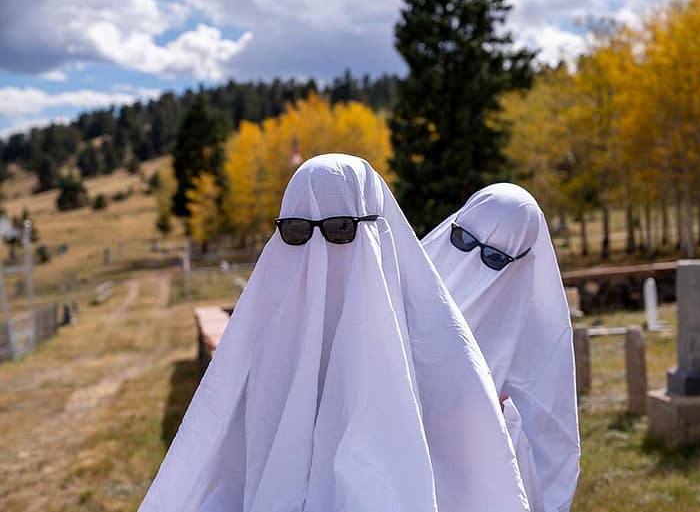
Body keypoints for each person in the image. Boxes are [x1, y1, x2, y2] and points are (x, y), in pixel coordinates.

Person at [138, 155, 530, 512]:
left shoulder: (434, 346)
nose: (320, 251)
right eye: (296, 231)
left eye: (341, 230)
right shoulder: (256, 343)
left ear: (380, 230)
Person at [422, 183, 580, 512]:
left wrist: (501, 419)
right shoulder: (401, 291)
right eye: (462, 240)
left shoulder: (537, 342)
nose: (470, 264)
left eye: (493, 258)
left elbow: (548, 452)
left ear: (521, 261)